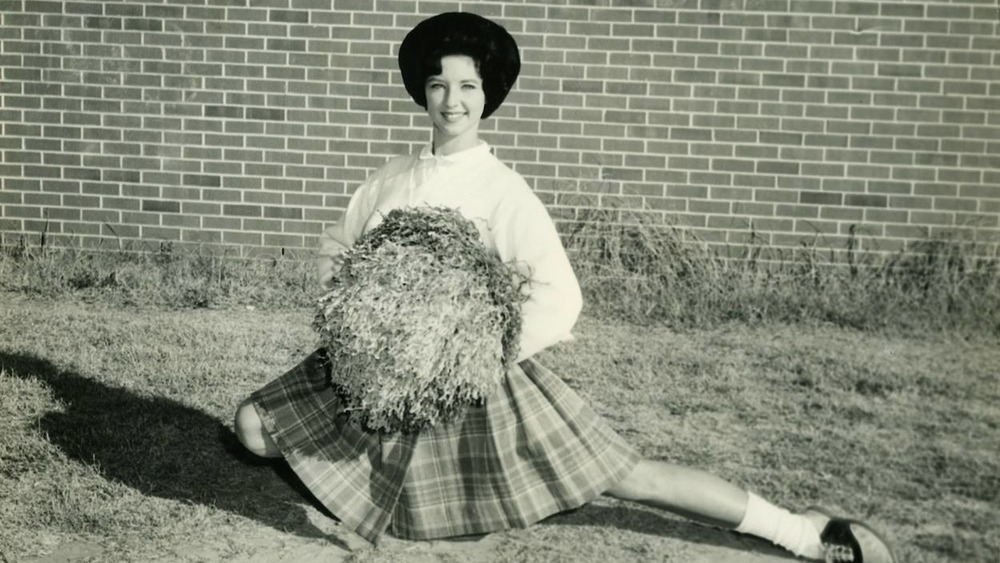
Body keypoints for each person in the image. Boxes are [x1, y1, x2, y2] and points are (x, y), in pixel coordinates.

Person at [233, 12, 896, 563]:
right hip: (374, 372)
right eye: (438, 85)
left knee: (625, 476)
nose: (453, 101)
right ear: (422, 93)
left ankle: (801, 531)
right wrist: (359, 329)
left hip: (471, 379)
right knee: (252, 429)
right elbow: (336, 250)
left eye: (467, 85)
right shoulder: (389, 178)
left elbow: (560, 295)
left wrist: (469, 357)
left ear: (487, 92)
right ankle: (358, 464)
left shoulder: (502, 189)